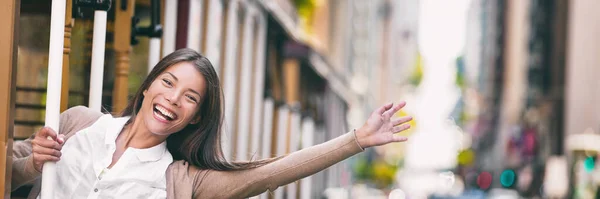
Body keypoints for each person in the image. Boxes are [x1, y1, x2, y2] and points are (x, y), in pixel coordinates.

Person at [11, 48, 413, 198]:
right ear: (149, 85)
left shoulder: (180, 180)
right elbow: (7, 170)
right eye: (168, 83)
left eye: (190, 97)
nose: (172, 99)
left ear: (197, 116)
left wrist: (355, 139)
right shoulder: (79, 123)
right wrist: (32, 164)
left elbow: (270, 174)